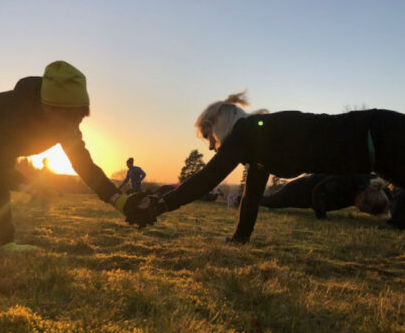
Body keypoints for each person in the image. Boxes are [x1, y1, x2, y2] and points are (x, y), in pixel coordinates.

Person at [0, 61, 146, 251]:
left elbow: (85, 166)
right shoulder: (8, 116)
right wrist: (4, 241)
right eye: (69, 118)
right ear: (47, 107)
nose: (73, 126)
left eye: (79, 118)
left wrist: (121, 201)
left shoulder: (66, 123)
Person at [126, 91, 405, 242]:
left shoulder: (247, 132)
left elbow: (207, 178)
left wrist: (159, 206)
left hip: (379, 134)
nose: (211, 147)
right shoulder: (258, 143)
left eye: (208, 137)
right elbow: (251, 196)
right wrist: (240, 238)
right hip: (376, 150)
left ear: (218, 124)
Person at [250, 173, 390, 217]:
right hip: (299, 190)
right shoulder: (346, 180)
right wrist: (322, 216)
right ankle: (243, 199)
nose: (358, 208)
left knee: (272, 202)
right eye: (362, 207)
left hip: (307, 198)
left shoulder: (367, 186)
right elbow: (317, 192)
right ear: (364, 197)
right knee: (272, 202)